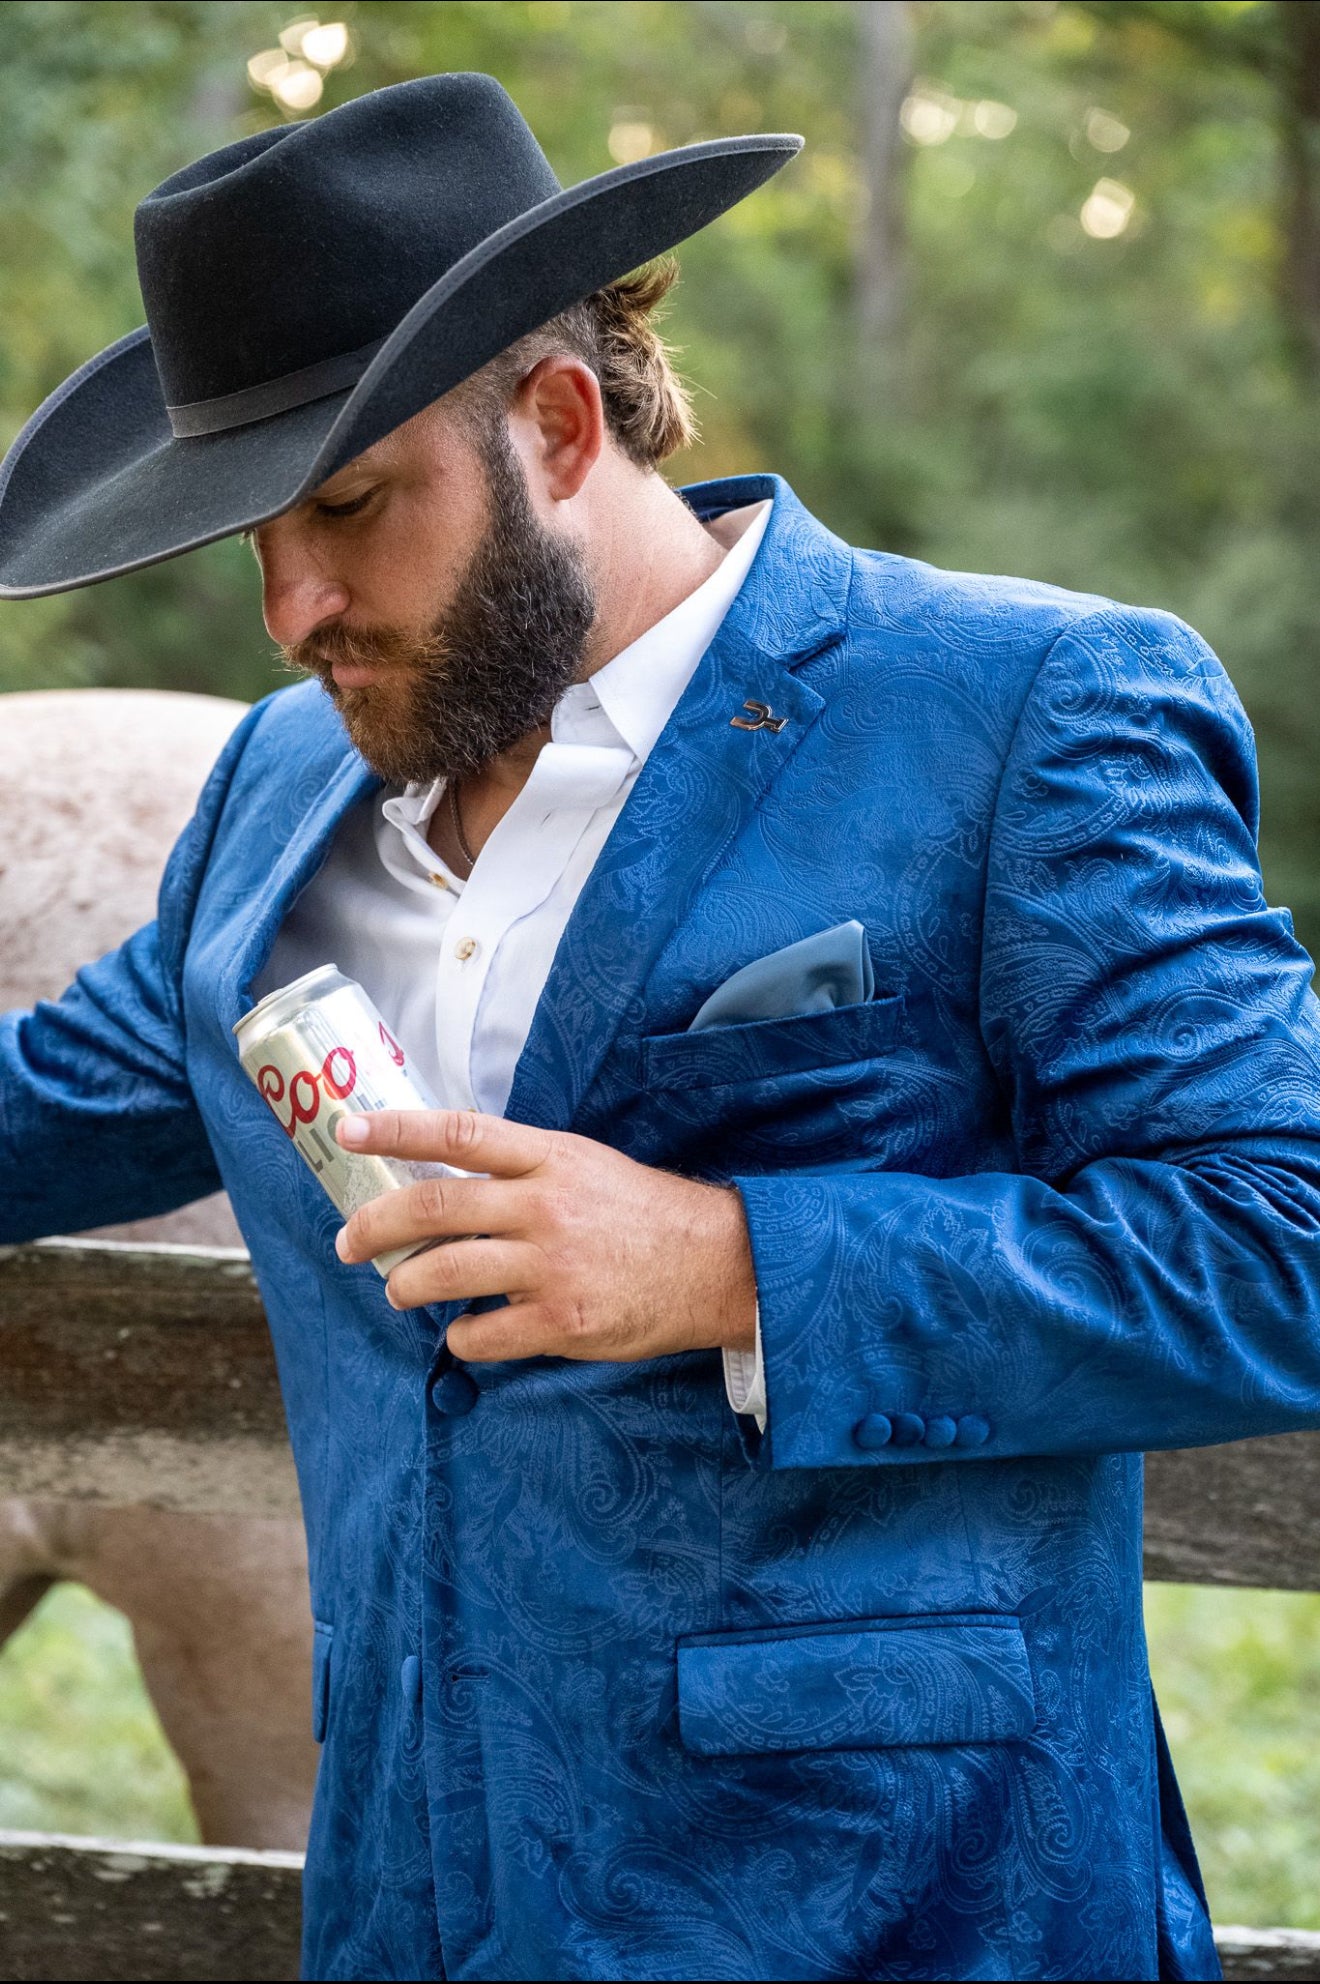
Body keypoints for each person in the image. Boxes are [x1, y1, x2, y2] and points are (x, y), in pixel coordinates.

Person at [2, 70, 1318, 1984]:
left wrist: (726, 1264)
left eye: (350, 509)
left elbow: (1282, 1242)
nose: (290, 607)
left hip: (910, 1919)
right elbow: (52, 1101)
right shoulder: (280, 792)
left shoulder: (1025, 708)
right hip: (414, 1907)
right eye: (249, 540)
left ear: (552, 424)